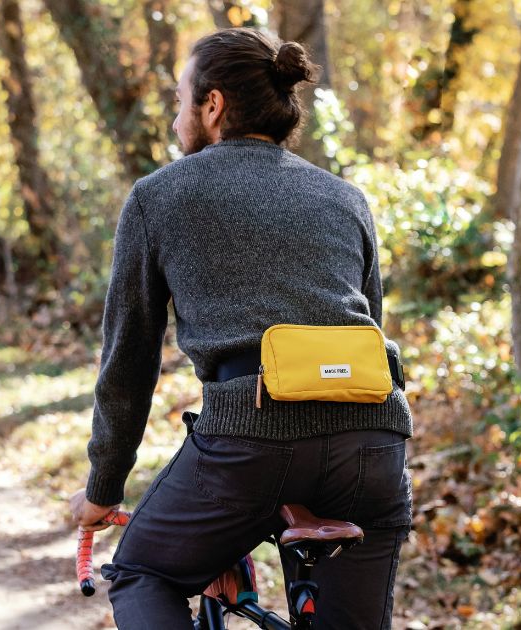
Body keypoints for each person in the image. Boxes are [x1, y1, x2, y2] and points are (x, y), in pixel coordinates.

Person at [69, 27, 413, 629]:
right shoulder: (345, 198)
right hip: (373, 442)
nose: (177, 117)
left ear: (213, 104)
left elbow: (128, 363)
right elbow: (365, 331)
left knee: (142, 575)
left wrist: (103, 488)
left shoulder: (159, 198)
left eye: (180, 101)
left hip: (249, 440)